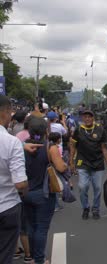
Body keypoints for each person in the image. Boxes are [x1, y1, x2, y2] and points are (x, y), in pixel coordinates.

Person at [23, 117, 67, 264]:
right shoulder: (50, 147)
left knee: (31, 227)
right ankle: (39, 260)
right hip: (44, 193)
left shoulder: (22, 147)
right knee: (41, 228)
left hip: (25, 192)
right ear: (46, 130)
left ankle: (33, 258)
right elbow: (61, 167)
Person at [70, 109, 107, 220]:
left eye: (89, 117)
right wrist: (71, 162)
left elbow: (103, 148)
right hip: (82, 162)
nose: (87, 119)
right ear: (82, 118)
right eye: (85, 117)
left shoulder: (100, 129)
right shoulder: (78, 130)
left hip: (97, 163)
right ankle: (85, 207)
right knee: (82, 186)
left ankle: (95, 209)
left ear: (93, 118)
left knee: (97, 188)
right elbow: (73, 146)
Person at [0, 95, 28, 264]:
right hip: (7, 207)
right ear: (4, 113)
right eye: (10, 111)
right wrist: (25, 191)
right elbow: (20, 183)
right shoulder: (11, 142)